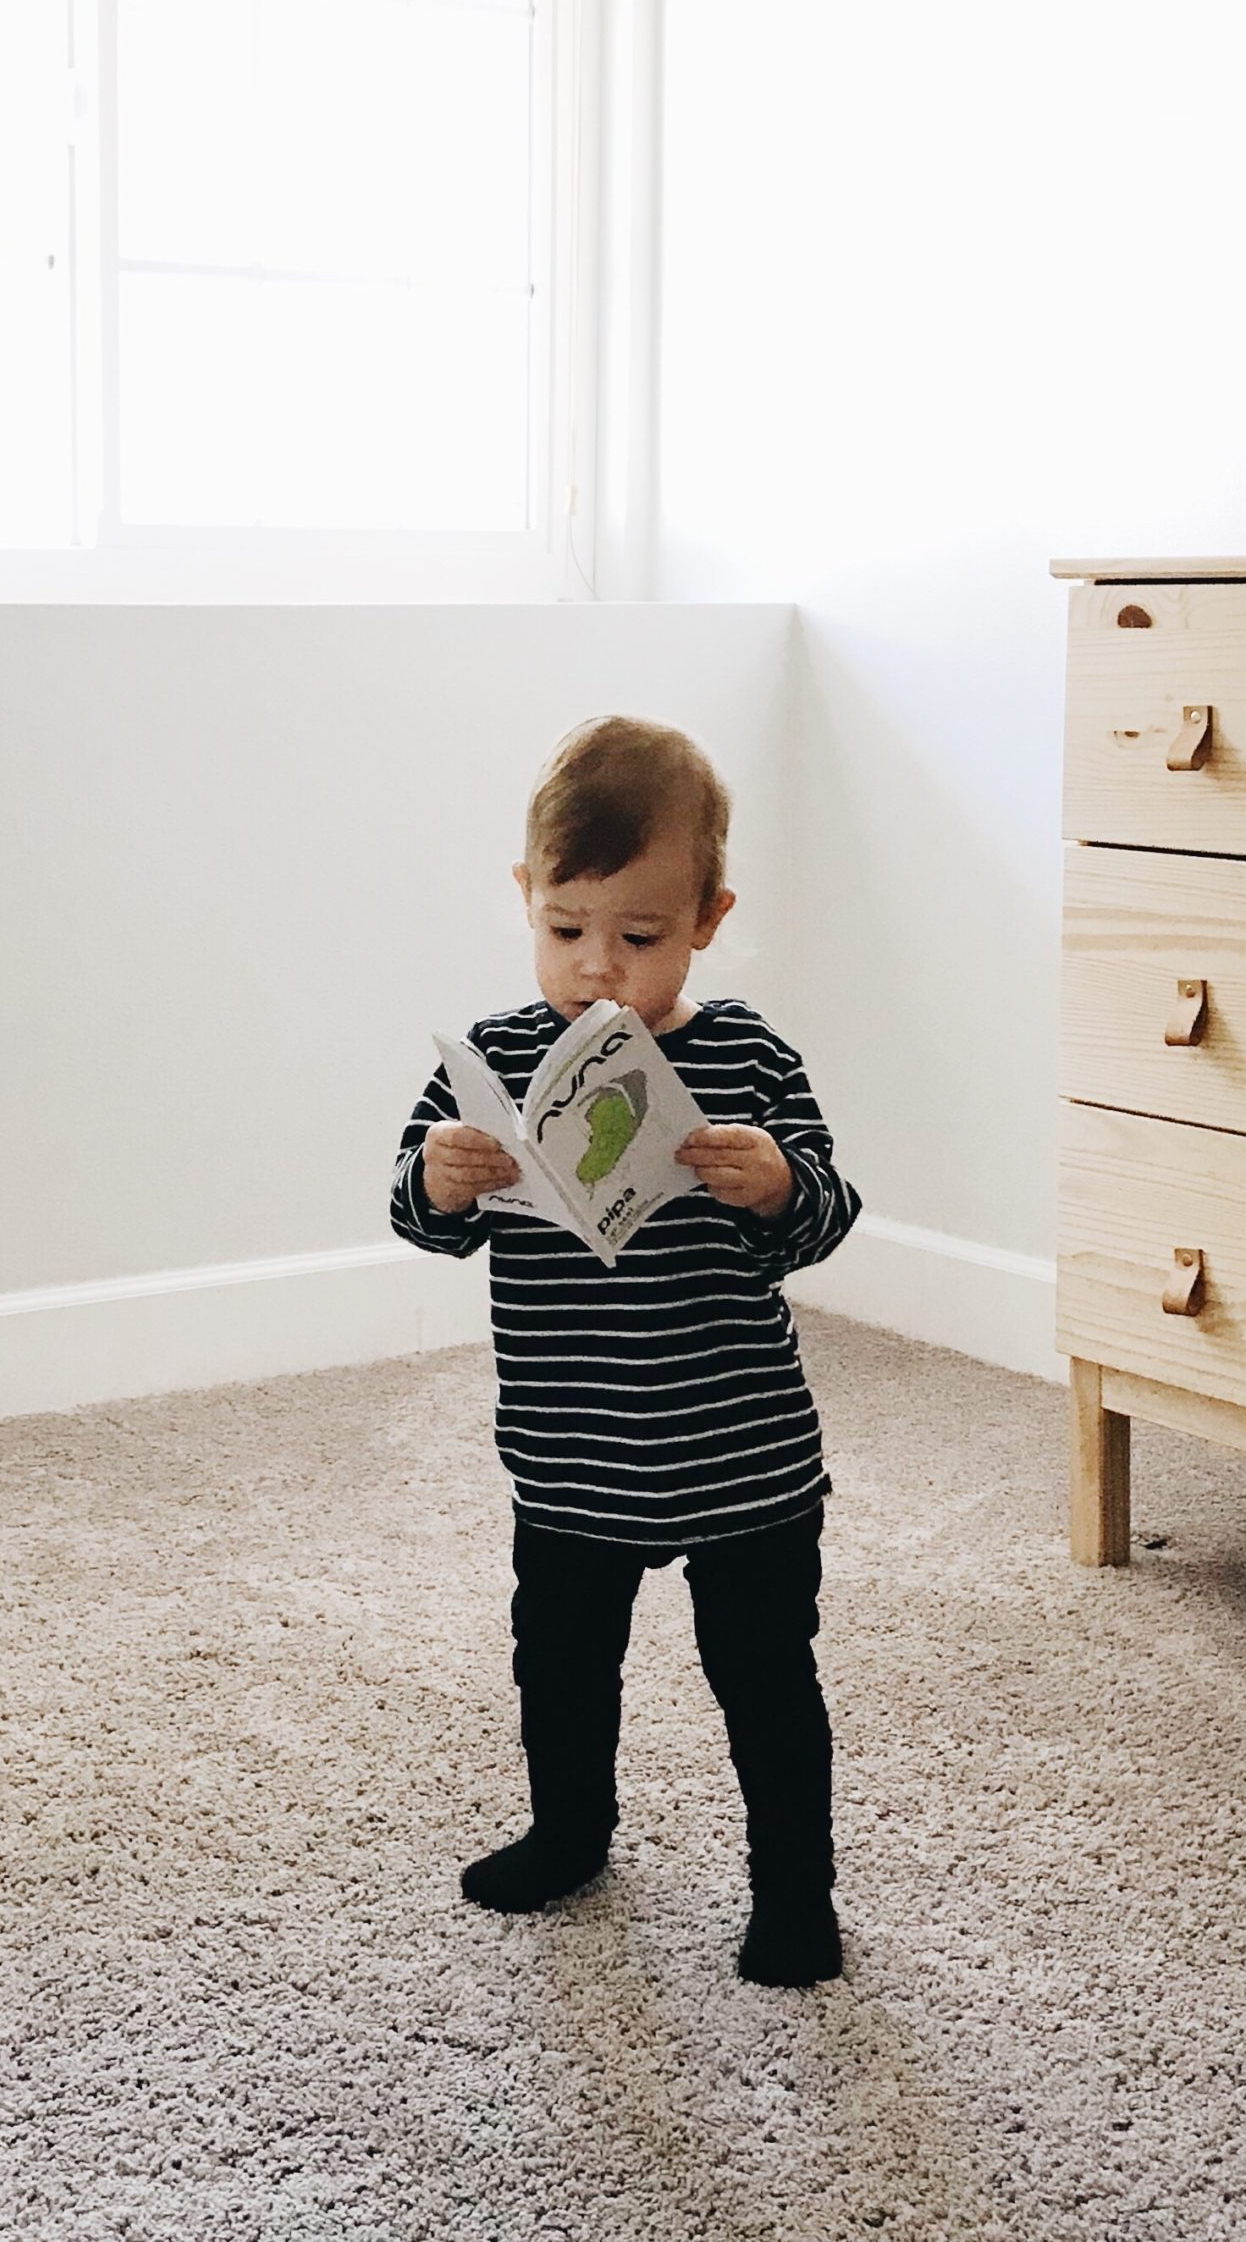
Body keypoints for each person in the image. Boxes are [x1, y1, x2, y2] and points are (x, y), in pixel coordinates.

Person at [390, 715, 862, 1985]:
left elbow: (825, 1212)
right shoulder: (492, 1058)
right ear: (525, 901)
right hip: (567, 1459)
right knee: (559, 1667)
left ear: (706, 916)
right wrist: (439, 1181)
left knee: (765, 1681)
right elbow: (417, 1221)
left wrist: (772, 1186)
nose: (599, 971)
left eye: (640, 938)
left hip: (741, 1461)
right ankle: (570, 1829)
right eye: (566, 931)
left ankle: (793, 1889)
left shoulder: (747, 1053)